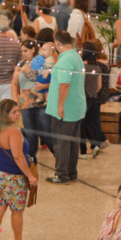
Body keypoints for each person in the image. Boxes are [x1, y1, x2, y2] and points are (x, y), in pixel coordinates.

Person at [0, 99, 37, 240]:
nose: (17, 114)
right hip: (12, 177)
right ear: (5, 114)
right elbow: (18, 156)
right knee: (17, 211)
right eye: (14, 112)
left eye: (17, 111)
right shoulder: (13, 131)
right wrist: (30, 176)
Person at [46, 31, 86, 184]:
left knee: (61, 142)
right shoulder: (75, 56)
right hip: (76, 106)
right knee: (72, 141)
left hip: (65, 108)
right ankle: (71, 172)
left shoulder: (65, 60)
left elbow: (64, 84)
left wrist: (60, 105)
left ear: (57, 43)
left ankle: (61, 175)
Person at [12, 39, 45, 158]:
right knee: (30, 134)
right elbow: (14, 83)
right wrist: (15, 99)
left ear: (33, 49)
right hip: (25, 104)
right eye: (22, 51)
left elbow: (48, 81)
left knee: (45, 134)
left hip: (40, 103)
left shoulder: (41, 62)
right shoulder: (20, 64)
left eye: (26, 51)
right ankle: (31, 160)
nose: (23, 53)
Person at [80, 41, 108, 158]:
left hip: (82, 99)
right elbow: (100, 86)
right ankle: (94, 145)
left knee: (82, 125)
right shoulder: (97, 67)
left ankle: (83, 151)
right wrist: (92, 93)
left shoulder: (81, 66)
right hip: (93, 99)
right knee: (87, 123)